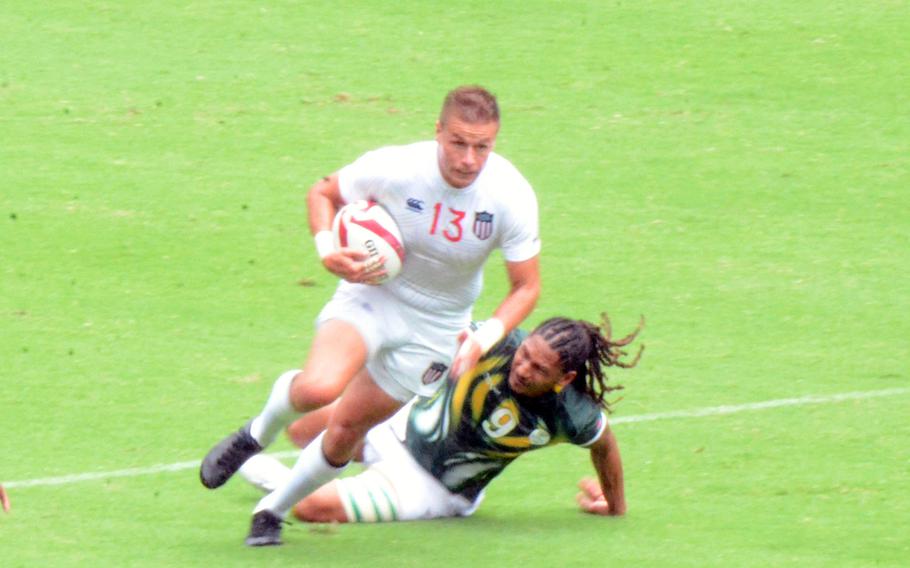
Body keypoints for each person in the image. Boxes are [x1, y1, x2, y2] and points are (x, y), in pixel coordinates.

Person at [199, 85, 542, 545]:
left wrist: (483, 338)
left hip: (437, 331)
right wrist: (327, 250)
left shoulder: (510, 195)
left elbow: (527, 286)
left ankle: (271, 510)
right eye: (458, 142)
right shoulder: (398, 167)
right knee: (320, 387)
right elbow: (323, 192)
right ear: (438, 131)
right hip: (375, 297)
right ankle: (255, 434)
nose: (468, 159)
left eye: (482, 146)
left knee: (345, 431)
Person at [239, 314, 642, 533]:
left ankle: (279, 482)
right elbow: (440, 333)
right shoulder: (498, 341)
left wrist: (615, 507)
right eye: (525, 354)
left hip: (432, 487)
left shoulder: (571, 413)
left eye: (539, 368)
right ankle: (322, 469)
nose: (523, 367)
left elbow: (604, 445)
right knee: (302, 428)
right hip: (399, 424)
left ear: (565, 379)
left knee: (310, 507)